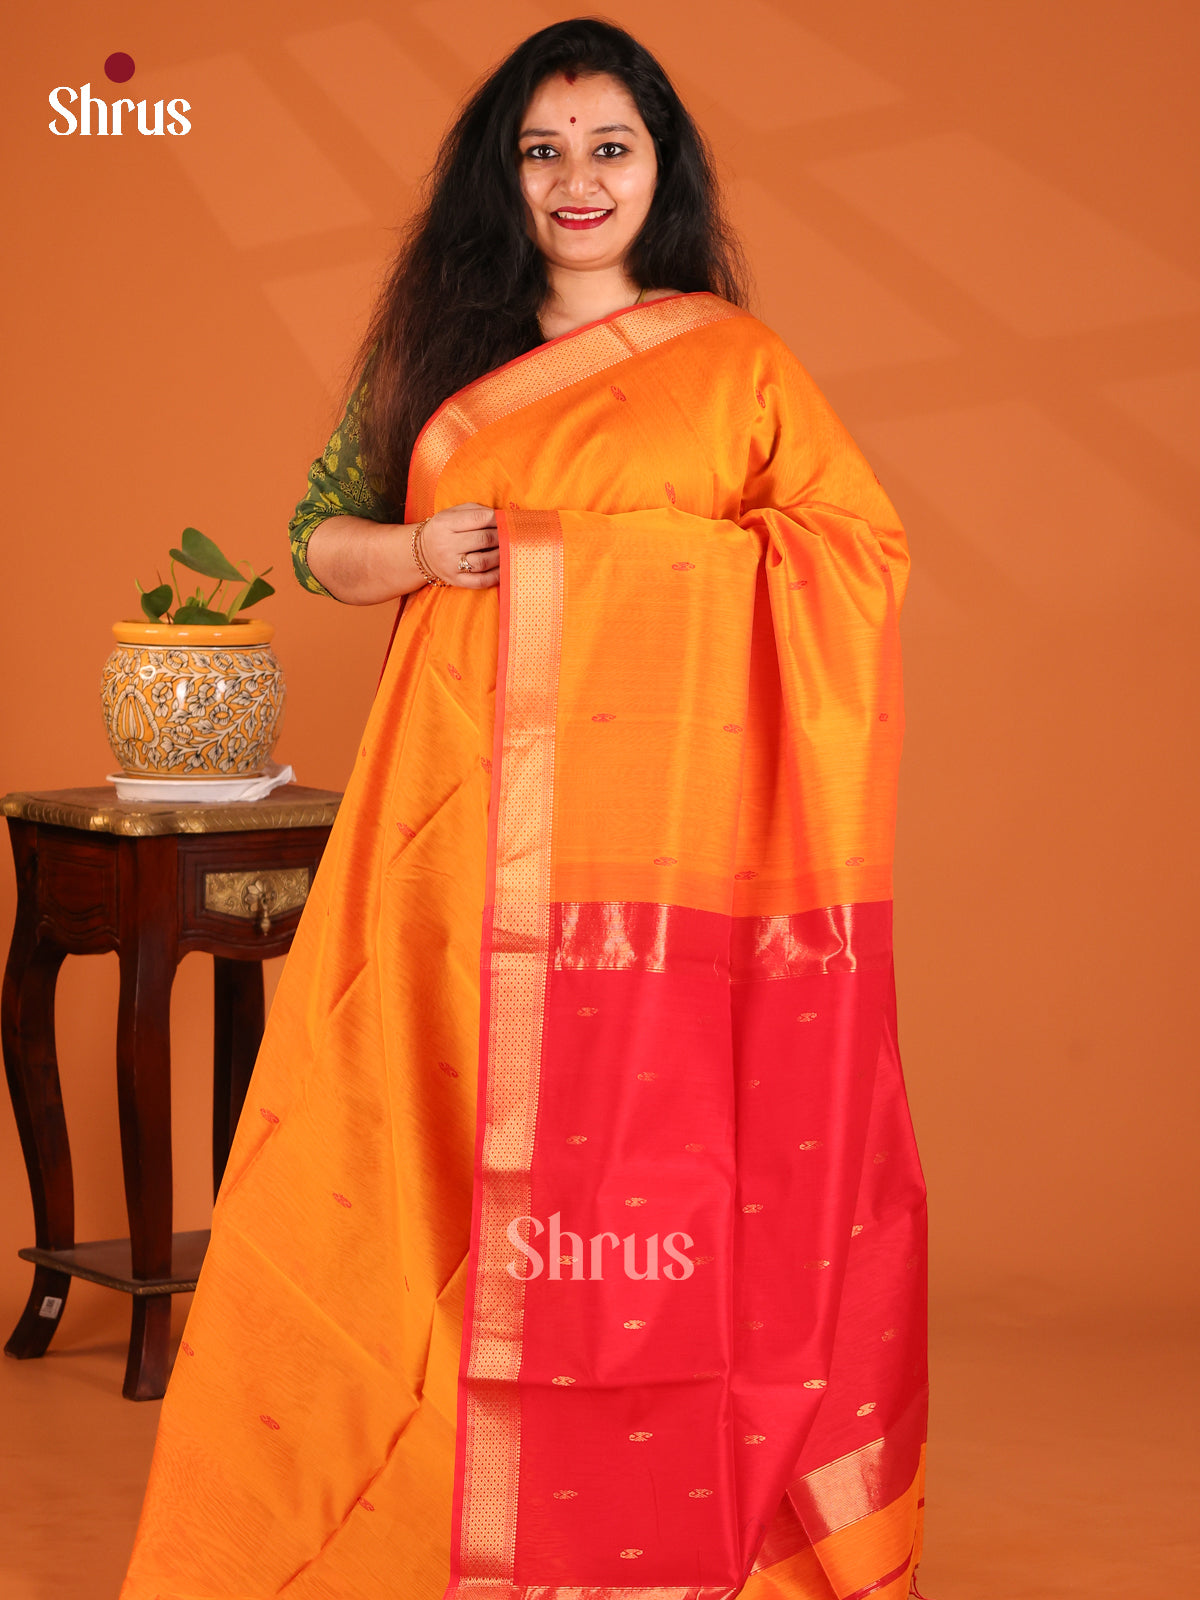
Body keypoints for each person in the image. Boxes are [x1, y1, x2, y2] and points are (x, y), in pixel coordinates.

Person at [121, 18, 929, 1600]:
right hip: (454, 827)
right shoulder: (442, 359)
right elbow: (321, 542)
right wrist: (424, 552)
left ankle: (640, 1506)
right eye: (543, 151)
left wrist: (605, 562)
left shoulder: (737, 368)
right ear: (502, 174)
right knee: (420, 1152)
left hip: (664, 863)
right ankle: (411, 1503)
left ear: (662, 170)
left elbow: (854, 559)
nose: (578, 181)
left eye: (610, 148)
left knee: (652, 1174)